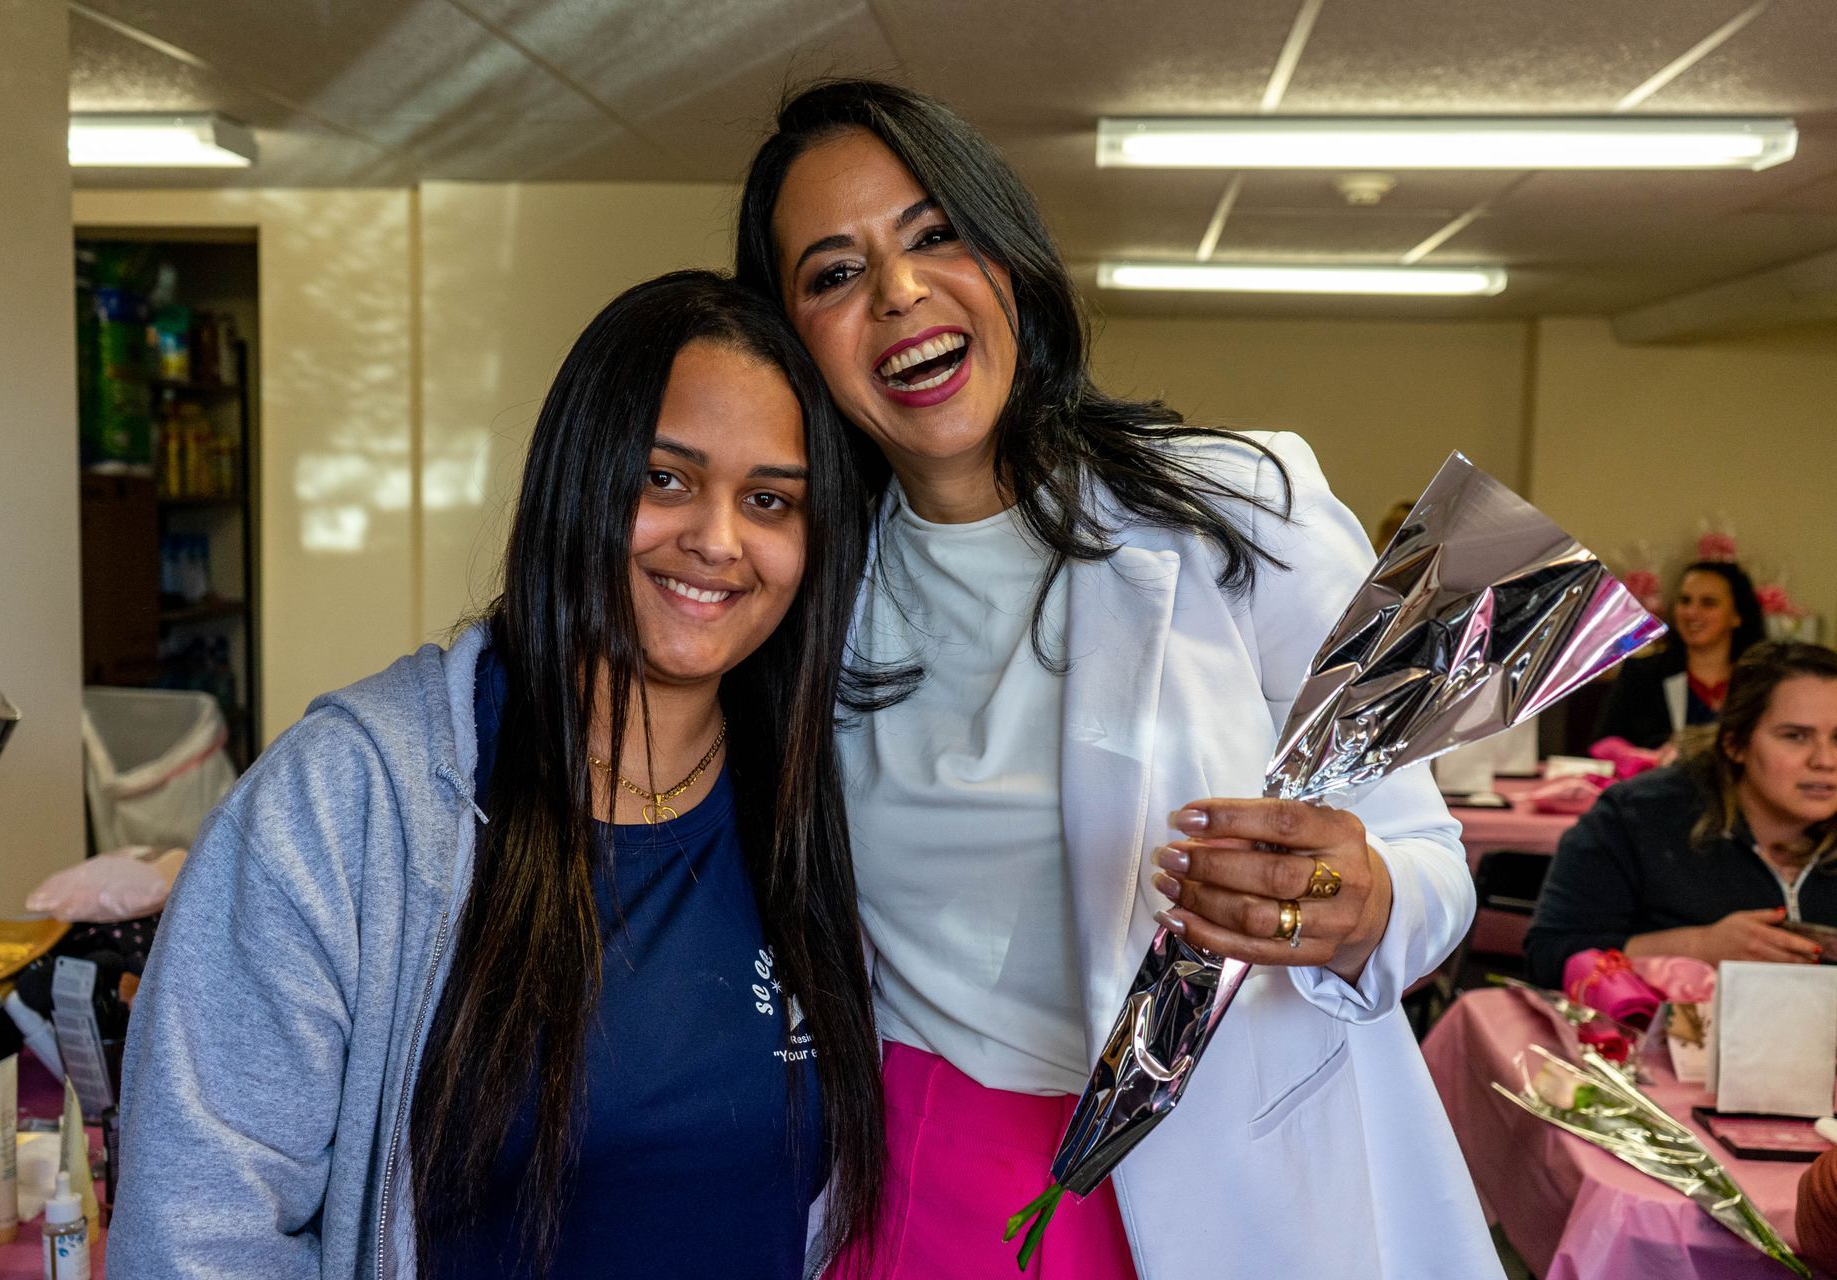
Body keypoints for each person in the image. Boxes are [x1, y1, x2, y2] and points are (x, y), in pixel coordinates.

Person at [735, 80, 1496, 1280]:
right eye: (833, 273)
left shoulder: (1245, 506)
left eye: (935, 234)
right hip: (927, 1174)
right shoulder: (803, 592)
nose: (898, 294)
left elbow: (1429, 859)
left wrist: (1366, 906)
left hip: (1235, 1183)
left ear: (1009, 256)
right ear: (794, 338)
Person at [109, 271, 885, 1278]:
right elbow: (199, 1227)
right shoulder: (352, 799)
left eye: (771, 499)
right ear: (579, 477)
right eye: (665, 478)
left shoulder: (819, 806)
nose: (718, 539)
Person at [1528, 641, 1837, 987]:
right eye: (1795, 736)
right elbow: (1550, 957)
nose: (1825, 761)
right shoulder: (1639, 816)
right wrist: (1698, 947)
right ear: (1734, 744)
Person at [1592, 560, 1767, 750]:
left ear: (1737, 615)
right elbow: (1602, 746)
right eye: (1685, 601)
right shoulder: (1641, 674)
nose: (1691, 612)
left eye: (1708, 603)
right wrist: (1649, 759)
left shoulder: (1759, 681)